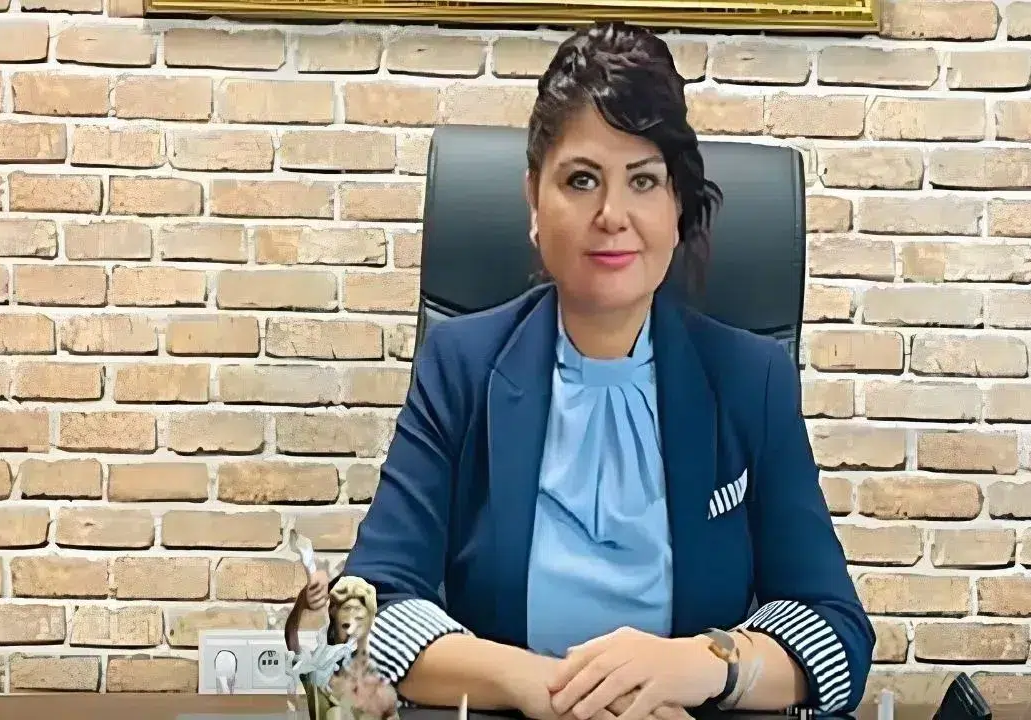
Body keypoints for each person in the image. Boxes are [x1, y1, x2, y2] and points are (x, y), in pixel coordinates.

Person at [325, 20, 875, 720]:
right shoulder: (461, 367)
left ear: (676, 204)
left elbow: (837, 638)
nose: (612, 215)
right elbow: (364, 619)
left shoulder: (749, 379)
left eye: (643, 180)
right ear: (534, 200)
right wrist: (552, 690)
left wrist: (699, 665)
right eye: (581, 180)